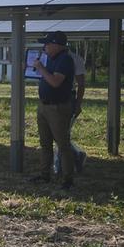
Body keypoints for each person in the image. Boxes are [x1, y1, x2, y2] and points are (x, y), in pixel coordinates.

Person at [30, 31, 76, 190]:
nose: (45, 47)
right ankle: (45, 175)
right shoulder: (51, 59)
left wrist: (41, 68)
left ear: (57, 45)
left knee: (62, 144)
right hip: (44, 106)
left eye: (47, 44)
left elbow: (55, 82)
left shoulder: (65, 60)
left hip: (57, 108)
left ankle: (67, 179)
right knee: (45, 143)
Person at [54, 49, 88, 176]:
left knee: (62, 134)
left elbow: (81, 84)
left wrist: (78, 103)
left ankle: (61, 164)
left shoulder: (76, 59)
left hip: (68, 99)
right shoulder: (49, 58)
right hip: (53, 100)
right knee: (60, 134)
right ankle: (76, 155)